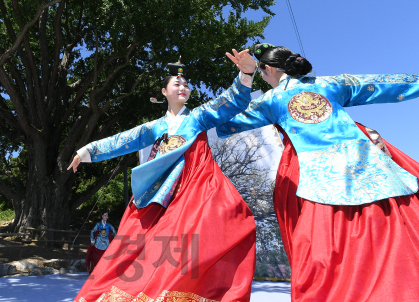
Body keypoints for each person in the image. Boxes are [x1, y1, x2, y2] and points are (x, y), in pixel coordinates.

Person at [216, 43, 419, 302]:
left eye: (263, 75)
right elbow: (387, 84)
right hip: (369, 166)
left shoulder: (272, 100)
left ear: (267, 69)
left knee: (324, 253)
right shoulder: (332, 83)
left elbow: (225, 126)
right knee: (393, 233)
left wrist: (245, 77)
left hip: (318, 178)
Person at [68, 50, 258, 302]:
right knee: (141, 247)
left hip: (193, 192)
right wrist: (87, 151)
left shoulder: (199, 117)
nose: (183, 87)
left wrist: (246, 74)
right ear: (164, 92)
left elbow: (229, 102)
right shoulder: (155, 127)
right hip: (159, 195)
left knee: (194, 245)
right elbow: (123, 140)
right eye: (176, 84)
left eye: (187, 84)